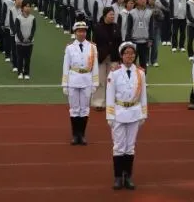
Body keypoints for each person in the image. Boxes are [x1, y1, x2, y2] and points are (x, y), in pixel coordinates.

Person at [106, 41, 148, 191]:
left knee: (130, 147)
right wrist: (110, 115)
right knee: (118, 147)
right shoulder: (114, 73)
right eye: (126, 53)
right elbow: (110, 95)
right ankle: (118, 177)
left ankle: (128, 176)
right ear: (121, 56)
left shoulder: (140, 73)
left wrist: (144, 113)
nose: (130, 56)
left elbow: (143, 95)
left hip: (134, 112)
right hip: (119, 112)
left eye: (132, 53)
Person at [62, 20, 99, 145]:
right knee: (74, 109)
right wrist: (65, 84)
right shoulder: (70, 48)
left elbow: (95, 67)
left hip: (87, 79)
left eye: (83, 31)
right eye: (79, 31)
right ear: (75, 32)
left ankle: (82, 134)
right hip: (73, 79)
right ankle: (75, 135)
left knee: (84, 109)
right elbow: (65, 66)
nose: (82, 33)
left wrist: (95, 83)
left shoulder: (92, 47)